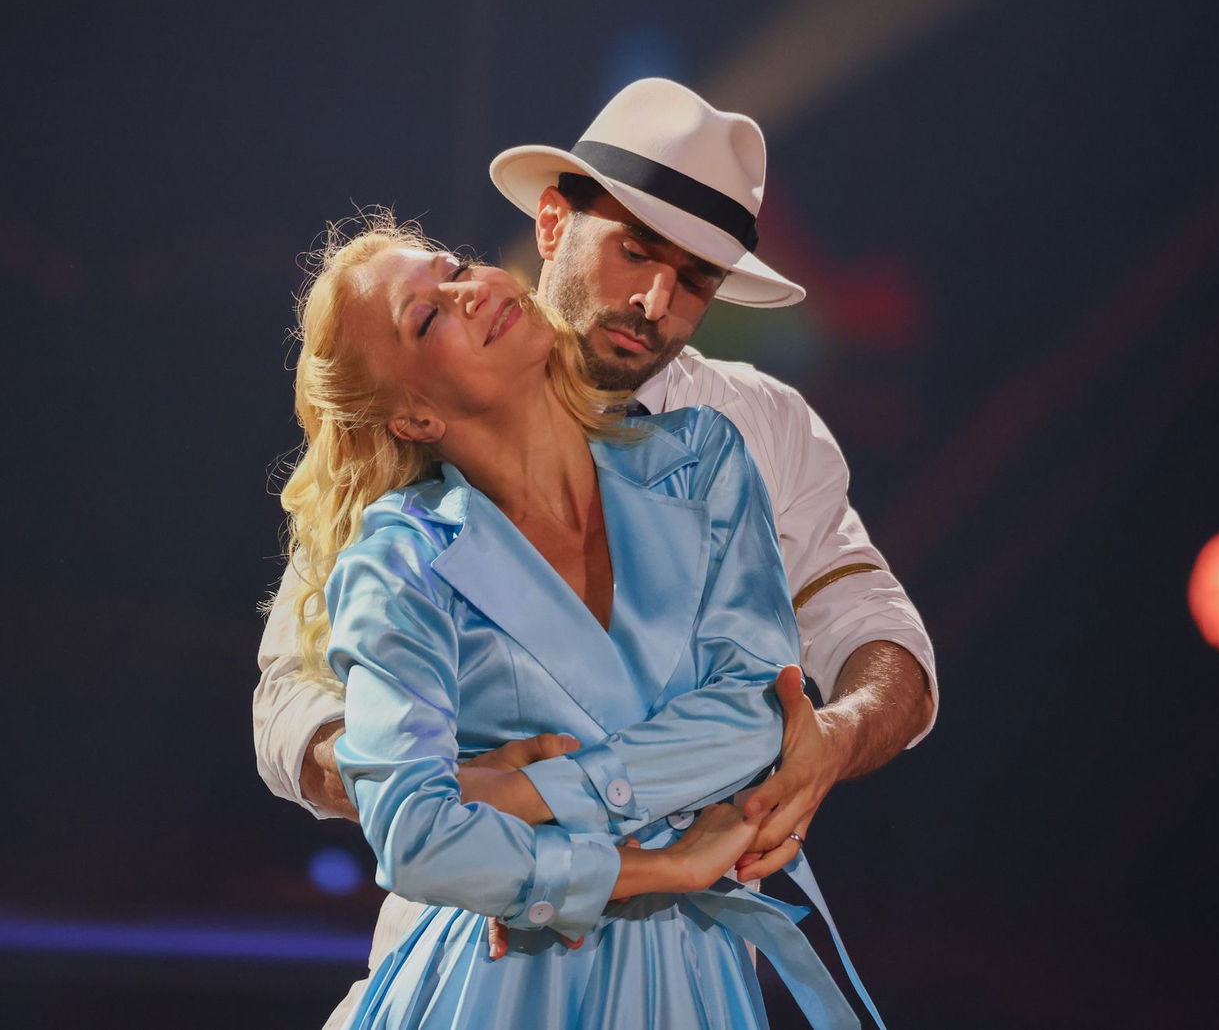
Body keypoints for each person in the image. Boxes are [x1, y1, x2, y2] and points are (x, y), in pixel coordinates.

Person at [253, 78, 936, 1024]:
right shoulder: (408, 460)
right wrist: (431, 785)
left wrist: (834, 738)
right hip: (486, 947)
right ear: (550, 222)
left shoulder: (739, 436)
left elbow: (872, 637)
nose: (655, 300)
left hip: (686, 959)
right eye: (635, 250)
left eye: (695, 278)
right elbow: (295, 706)